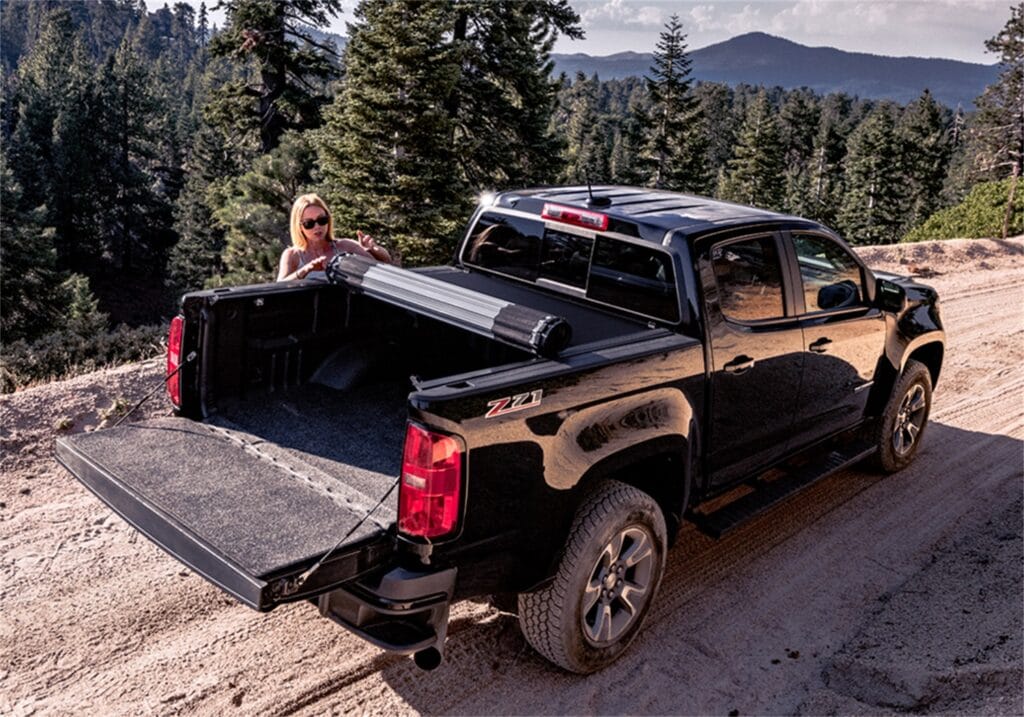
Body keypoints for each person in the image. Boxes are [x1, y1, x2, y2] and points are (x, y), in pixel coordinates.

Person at [277, 193, 392, 281]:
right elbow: (279, 288)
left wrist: (374, 250)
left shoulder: (345, 246)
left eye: (322, 220)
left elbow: (385, 265)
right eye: (309, 224)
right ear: (299, 226)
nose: (317, 227)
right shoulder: (292, 255)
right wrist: (305, 270)